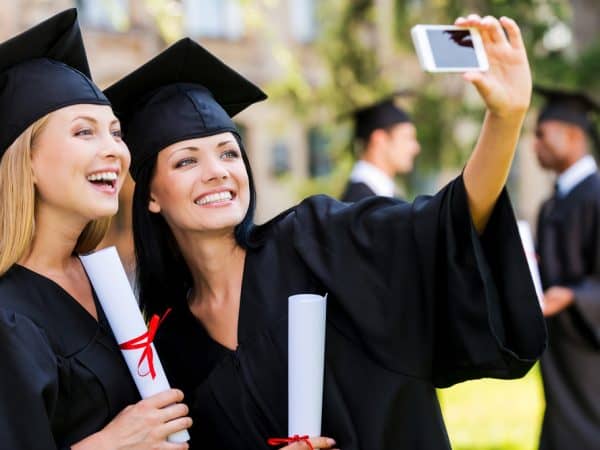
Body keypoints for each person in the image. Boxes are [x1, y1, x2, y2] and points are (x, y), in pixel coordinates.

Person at [106, 14, 546, 450]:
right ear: (152, 196)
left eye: (229, 153)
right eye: (186, 160)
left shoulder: (315, 242)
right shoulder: (172, 346)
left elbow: (444, 225)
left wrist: (504, 119)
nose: (217, 172)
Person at [0, 9, 192, 449]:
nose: (114, 151)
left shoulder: (103, 282)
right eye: (84, 133)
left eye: (116, 133)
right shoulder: (8, 315)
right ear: (27, 161)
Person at [533, 86, 600, 450]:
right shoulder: (551, 205)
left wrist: (574, 296)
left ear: (573, 135)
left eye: (541, 134)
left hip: (590, 352)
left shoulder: (597, 196)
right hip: (559, 351)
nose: (534, 145)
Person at [340, 96, 420, 202]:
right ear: (379, 140)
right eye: (407, 138)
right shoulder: (359, 202)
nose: (416, 148)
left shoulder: (381, 196)